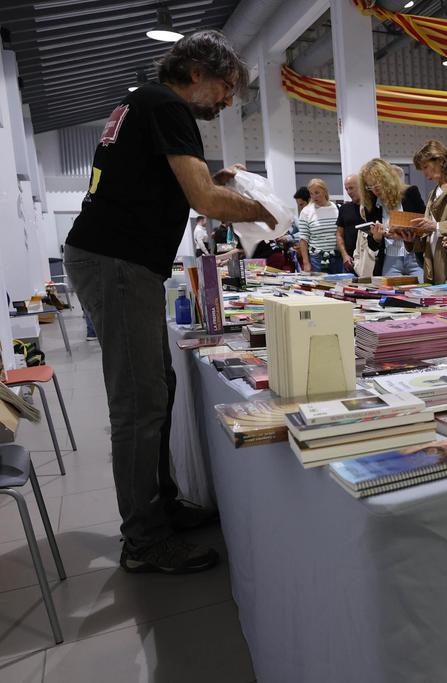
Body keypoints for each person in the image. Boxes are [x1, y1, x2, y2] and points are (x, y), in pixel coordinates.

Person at [62, 30, 276, 574]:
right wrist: (267, 212)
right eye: (226, 88)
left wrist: (223, 180)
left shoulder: (140, 104)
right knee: (138, 404)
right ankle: (144, 540)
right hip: (118, 263)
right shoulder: (166, 104)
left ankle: (163, 507)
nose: (227, 101)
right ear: (197, 72)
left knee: (158, 386)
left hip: (114, 260)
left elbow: (176, 182)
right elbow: (203, 198)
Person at [407, 140, 447, 284]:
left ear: (441, 161)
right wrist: (411, 237)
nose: (424, 173)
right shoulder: (433, 193)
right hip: (434, 266)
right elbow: (428, 235)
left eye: (426, 167)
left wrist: (436, 226)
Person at [359, 158, 426, 280]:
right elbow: (372, 246)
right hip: (390, 259)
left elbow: (425, 224)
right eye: (370, 186)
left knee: (422, 294)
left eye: (377, 183)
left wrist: (409, 234)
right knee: (392, 296)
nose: (375, 189)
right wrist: (376, 238)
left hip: (415, 257)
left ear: (387, 179)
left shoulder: (410, 193)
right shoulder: (371, 206)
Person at [297, 178, 342, 273]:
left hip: (337, 257)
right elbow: (303, 239)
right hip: (317, 259)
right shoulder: (306, 212)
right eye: (311, 194)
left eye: (317, 193)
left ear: (325, 191)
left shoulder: (338, 209)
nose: (314, 197)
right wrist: (306, 263)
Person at [335, 174, 362, 273]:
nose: (349, 192)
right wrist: (344, 255)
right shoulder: (344, 208)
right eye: (346, 189)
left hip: (370, 258)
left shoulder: (372, 208)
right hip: (350, 260)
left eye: (351, 188)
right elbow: (339, 234)